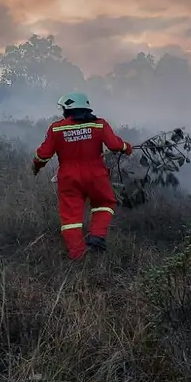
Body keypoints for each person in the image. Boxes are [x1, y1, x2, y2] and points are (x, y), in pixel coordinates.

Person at [32, 92, 133, 260]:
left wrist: (36, 166)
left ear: (68, 109)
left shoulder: (56, 128)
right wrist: (127, 147)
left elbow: (43, 155)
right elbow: (115, 145)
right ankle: (96, 235)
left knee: (71, 217)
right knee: (105, 203)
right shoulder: (99, 125)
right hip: (96, 174)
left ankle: (78, 255)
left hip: (68, 177)